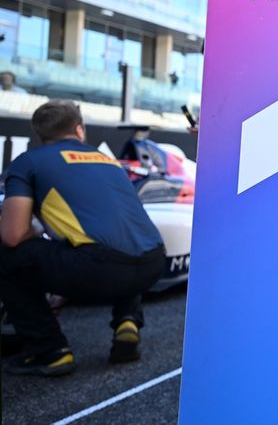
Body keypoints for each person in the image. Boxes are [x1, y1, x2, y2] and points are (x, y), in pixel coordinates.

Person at [0, 100, 164, 376]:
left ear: (39, 135)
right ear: (79, 131)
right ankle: (127, 319)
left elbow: (13, 235)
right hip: (152, 263)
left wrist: (37, 232)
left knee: (7, 255)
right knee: (124, 241)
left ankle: (49, 350)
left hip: (99, 269)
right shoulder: (110, 162)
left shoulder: (28, 162)